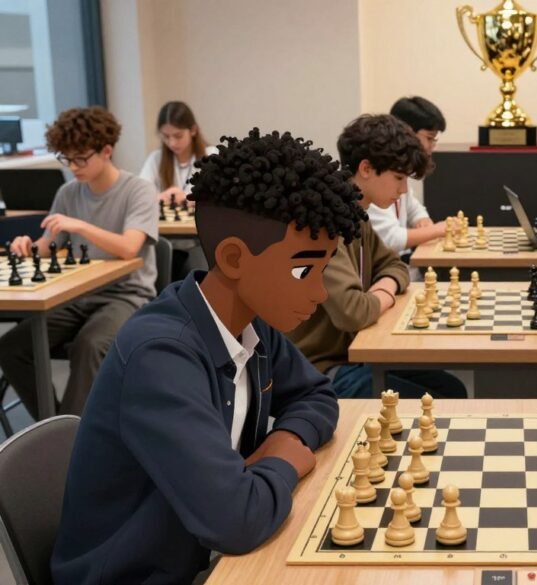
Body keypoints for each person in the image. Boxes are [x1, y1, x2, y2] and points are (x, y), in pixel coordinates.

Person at [51, 128, 364, 584]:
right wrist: (284, 458)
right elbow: (234, 522)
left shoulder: (252, 324)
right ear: (235, 258)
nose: (319, 291)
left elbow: (317, 395)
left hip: (205, 556)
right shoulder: (160, 357)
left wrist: (281, 441)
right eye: (303, 269)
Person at [289, 114, 467, 399]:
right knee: (443, 400)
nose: (404, 190)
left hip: (355, 351)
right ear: (366, 168)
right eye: (398, 177)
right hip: (321, 367)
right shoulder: (323, 221)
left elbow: (394, 264)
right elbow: (354, 312)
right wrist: (384, 294)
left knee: (451, 389)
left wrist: (381, 289)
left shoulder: (355, 213)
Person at [0, 106, 158, 418]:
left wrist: (80, 226)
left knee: (89, 345)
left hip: (128, 296)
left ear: (107, 150)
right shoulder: (68, 192)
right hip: (76, 296)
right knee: (12, 347)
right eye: (66, 158)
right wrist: (27, 247)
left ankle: (70, 442)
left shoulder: (138, 189)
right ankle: (55, 425)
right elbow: (47, 246)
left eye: (80, 158)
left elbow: (129, 248)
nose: (73, 166)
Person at [366, 97, 448, 275]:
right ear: (408, 132)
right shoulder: (376, 178)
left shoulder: (397, 171)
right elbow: (391, 238)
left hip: (397, 273)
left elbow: (413, 208)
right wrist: (438, 229)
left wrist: (422, 220)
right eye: (429, 138)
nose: (431, 146)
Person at [139, 100, 219, 278]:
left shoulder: (211, 155)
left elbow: (220, 199)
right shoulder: (156, 159)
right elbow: (140, 197)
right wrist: (161, 197)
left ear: (193, 130)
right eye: (165, 136)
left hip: (199, 241)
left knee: (196, 268)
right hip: (166, 240)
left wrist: (189, 198)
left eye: (177, 135)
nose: (172, 142)